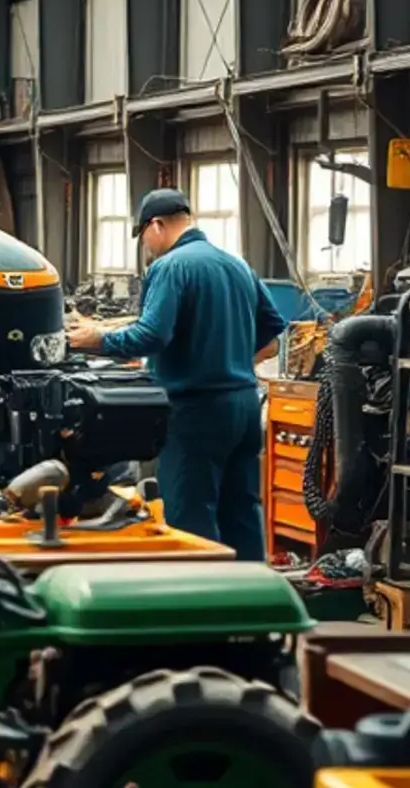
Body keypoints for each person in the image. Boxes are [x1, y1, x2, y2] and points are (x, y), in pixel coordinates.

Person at [67, 187, 285, 561]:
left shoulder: (170, 267)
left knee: (190, 513)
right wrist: (227, 357)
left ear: (156, 225)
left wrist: (95, 339)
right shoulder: (238, 266)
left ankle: (199, 610)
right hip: (245, 407)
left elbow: (151, 335)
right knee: (242, 512)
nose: (147, 247)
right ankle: (252, 608)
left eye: (144, 238)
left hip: (195, 411)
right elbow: (272, 339)